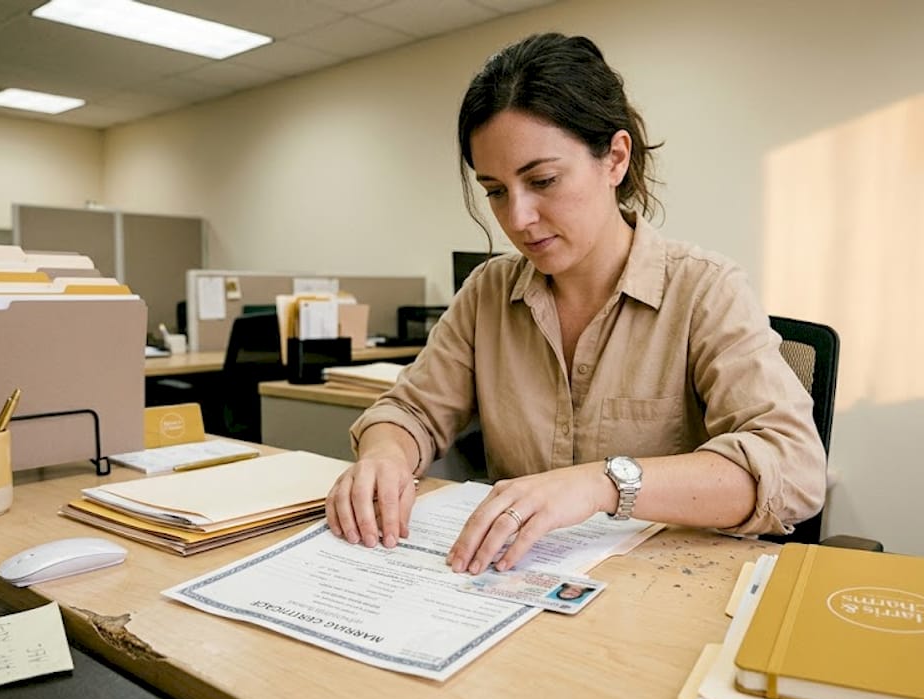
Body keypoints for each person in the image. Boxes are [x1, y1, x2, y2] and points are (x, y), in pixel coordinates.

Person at [324, 33, 825, 575]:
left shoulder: (705, 289)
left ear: (614, 158)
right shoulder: (488, 294)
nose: (517, 220)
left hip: (659, 591)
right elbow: (409, 411)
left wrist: (604, 483)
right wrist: (384, 457)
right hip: (514, 584)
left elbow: (793, 468)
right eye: (495, 190)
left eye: (543, 180)